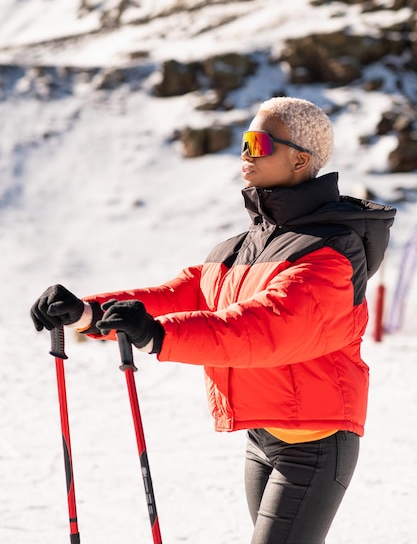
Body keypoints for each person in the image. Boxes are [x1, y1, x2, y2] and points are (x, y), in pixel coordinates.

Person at [31, 96, 396, 544]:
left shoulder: (331, 251)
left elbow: (265, 327)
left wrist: (157, 336)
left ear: (300, 159)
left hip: (315, 445)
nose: (246, 152)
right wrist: (86, 312)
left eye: (259, 142)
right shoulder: (244, 245)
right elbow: (178, 294)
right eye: (245, 140)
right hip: (263, 438)